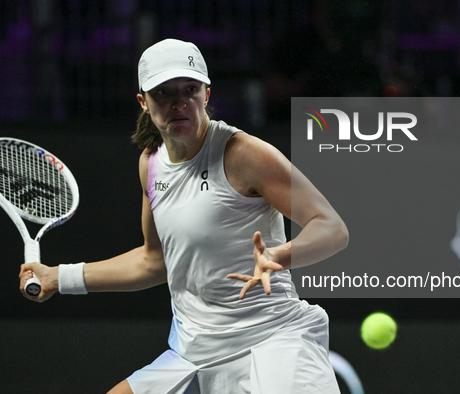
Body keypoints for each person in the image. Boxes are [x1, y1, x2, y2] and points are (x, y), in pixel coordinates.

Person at [19, 38, 348, 394]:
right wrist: (57, 277)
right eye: (163, 93)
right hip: (194, 350)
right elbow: (154, 260)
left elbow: (331, 228)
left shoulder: (243, 154)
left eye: (190, 89)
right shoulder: (151, 164)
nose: (179, 103)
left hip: (273, 339)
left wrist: (279, 255)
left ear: (206, 94)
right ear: (143, 103)